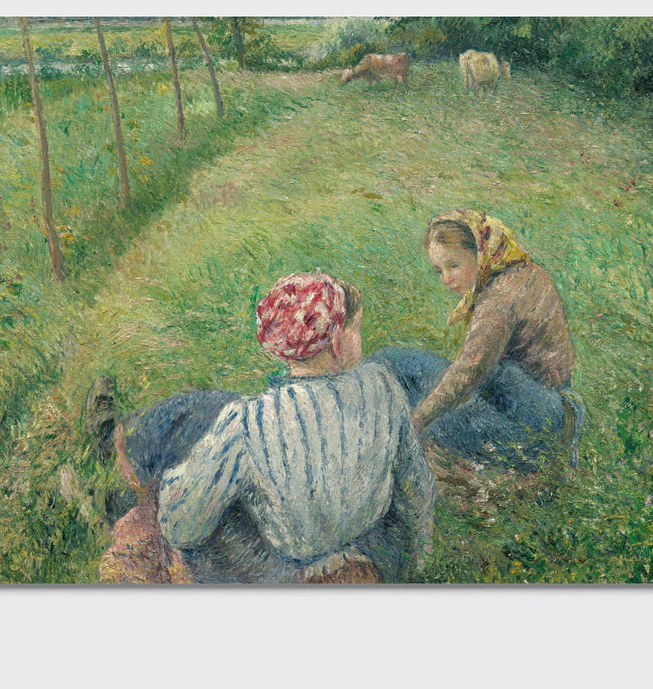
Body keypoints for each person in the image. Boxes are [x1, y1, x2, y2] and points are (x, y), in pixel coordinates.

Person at [90, 272, 436, 585]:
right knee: (210, 416)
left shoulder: (248, 421)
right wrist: (419, 554)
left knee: (202, 436)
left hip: (282, 570)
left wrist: (172, 489)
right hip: (369, 545)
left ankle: (128, 471)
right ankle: (128, 458)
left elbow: (182, 528)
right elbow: (416, 485)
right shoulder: (383, 385)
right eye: (357, 329)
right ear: (336, 342)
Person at [372, 209, 586, 473]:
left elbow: (469, 372)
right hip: (539, 397)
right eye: (438, 270)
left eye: (454, 265)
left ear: (479, 253)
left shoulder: (499, 298)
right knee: (397, 363)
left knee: (417, 403)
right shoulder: (523, 272)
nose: (447, 279)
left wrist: (418, 421)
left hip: (532, 417)